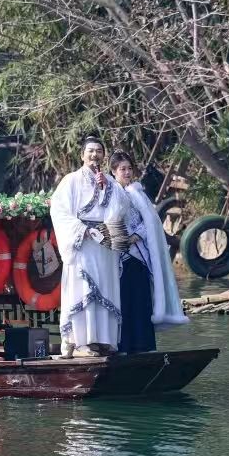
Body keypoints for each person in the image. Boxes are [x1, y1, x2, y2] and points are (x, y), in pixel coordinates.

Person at [49, 133, 129, 358]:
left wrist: (108, 188)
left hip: (104, 243)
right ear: (82, 155)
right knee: (83, 289)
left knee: (106, 288)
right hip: (82, 242)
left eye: (99, 151)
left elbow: (123, 206)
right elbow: (58, 210)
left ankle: (104, 340)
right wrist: (81, 229)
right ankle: (80, 342)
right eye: (91, 151)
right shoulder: (71, 180)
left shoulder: (110, 182)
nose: (95, 155)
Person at [110, 151, 189, 355]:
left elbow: (150, 222)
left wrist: (135, 236)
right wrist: (120, 238)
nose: (127, 172)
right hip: (117, 257)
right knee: (123, 302)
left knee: (142, 300)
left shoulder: (138, 193)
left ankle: (144, 347)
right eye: (122, 169)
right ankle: (123, 347)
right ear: (113, 171)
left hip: (139, 256)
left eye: (129, 168)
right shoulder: (108, 194)